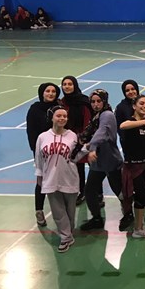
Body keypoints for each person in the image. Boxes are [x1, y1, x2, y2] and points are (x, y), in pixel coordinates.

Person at [78, 89, 134, 232]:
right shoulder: (96, 116)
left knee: (119, 191)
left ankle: (129, 214)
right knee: (90, 190)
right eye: (93, 101)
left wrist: (92, 148)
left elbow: (102, 132)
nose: (95, 104)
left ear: (104, 101)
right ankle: (96, 218)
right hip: (98, 163)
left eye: (99, 101)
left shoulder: (107, 115)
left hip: (110, 161)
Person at [35, 106, 81, 253]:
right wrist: (39, 175)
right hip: (50, 179)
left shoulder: (72, 136)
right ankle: (65, 237)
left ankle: (68, 233)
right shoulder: (42, 137)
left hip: (69, 178)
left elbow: (76, 157)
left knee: (70, 211)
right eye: (59, 116)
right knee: (58, 212)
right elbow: (38, 158)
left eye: (64, 116)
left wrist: (86, 149)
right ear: (52, 118)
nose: (62, 118)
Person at [119, 95, 145, 239]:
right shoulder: (131, 122)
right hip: (132, 169)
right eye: (141, 103)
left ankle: (138, 229)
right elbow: (123, 126)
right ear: (134, 106)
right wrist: (144, 121)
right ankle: (124, 198)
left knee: (139, 199)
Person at [26, 83, 60, 226]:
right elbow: (31, 132)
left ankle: (60, 210)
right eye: (48, 91)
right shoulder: (35, 109)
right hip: (41, 152)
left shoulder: (59, 107)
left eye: (53, 91)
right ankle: (39, 210)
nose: (51, 94)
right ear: (42, 93)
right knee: (41, 180)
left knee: (58, 179)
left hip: (58, 150)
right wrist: (36, 151)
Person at [60, 76, 92, 205]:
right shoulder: (62, 103)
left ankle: (96, 193)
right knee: (76, 167)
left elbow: (87, 122)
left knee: (92, 166)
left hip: (83, 139)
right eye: (64, 84)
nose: (67, 86)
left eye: (70, 84)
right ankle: (80, 191)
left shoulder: (83, 102)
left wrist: (82, 140)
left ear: (75, 85)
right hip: (67, 139)